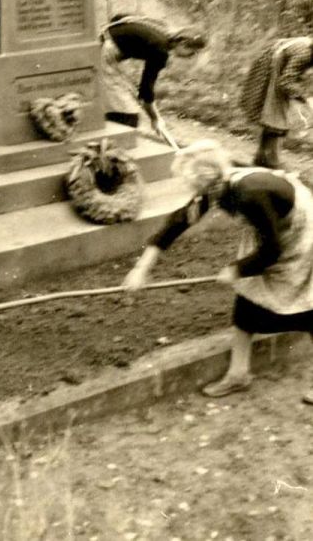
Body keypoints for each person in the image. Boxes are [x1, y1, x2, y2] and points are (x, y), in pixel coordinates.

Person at [123, 139, 313, 400]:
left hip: (300, 232)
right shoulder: (218, 184)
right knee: (247, 299)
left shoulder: (248, 194)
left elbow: (272, 251)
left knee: (307, 307)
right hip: (272, 228)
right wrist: (142, 267)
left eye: (192, 186)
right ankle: (238, 374)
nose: (191, 192)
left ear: (206, 182)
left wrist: (237, 269)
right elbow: (178, 221)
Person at [100, 14, 206, 134]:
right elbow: (145, 92)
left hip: (103, 42)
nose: (191, 56)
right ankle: (110, 136)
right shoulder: (160, 51)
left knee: (124, 94)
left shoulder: (163, 30)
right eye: (193, 52)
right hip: (102, 53)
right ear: (183, 43)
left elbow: (120, 17)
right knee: (127, 114)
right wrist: (155, 119)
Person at [240, 35, 313, 169]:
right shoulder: (304, 54)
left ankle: (261, 158)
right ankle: (271, 161)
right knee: (275, 117)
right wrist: (304, 97)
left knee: (274, 116)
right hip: (270, 69)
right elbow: (286, 81)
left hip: (276, 66)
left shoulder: (307, 49)